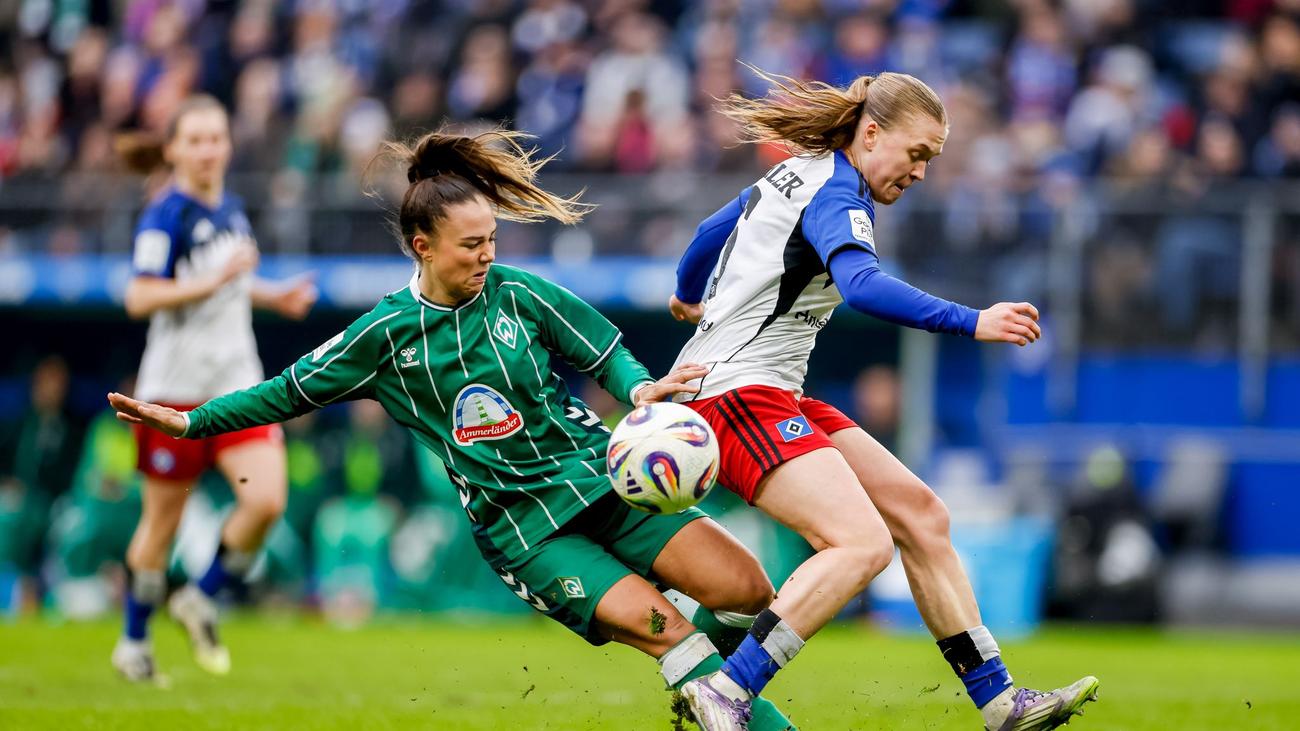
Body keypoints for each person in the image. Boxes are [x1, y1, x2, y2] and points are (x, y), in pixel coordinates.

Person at [109, 129, 796, 730]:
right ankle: (713, 694)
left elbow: (605, 354)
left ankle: (704, 697)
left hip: (605, 481)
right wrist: (194, 419)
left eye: (492, 239)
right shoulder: (383, 334)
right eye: (471, 244)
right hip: (528, 530)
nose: (487, 254)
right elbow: (286, 391)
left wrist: (642, 390)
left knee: (748, 592)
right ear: (423, 247)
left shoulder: (522, 293)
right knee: (672, 633)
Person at [666, 68, 1100, 731]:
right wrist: (973, 320)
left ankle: (1000, 700)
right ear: (871, 133)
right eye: (917, 153)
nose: (922, 172)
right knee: (861, 543)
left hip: (764, 390)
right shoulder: (839, 193)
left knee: (921, 515)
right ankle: (728, 688)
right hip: (736, 396)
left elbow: (706, 231)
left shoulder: (799, 171)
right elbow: (863, 286)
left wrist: (686, 292)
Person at [111, 94, 320, 683]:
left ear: (229, 145)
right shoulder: (164, 215)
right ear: (174, 148)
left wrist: (271, 293)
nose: (207, 149)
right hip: (173, 394)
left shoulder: (230, 207)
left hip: (235, 388)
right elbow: (139, 296)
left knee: (267, 501)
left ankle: (200, 597)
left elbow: (229, 285)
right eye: (195, 139)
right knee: (162, 526)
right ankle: (133, 644)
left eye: (216, 138)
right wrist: (216, 280)